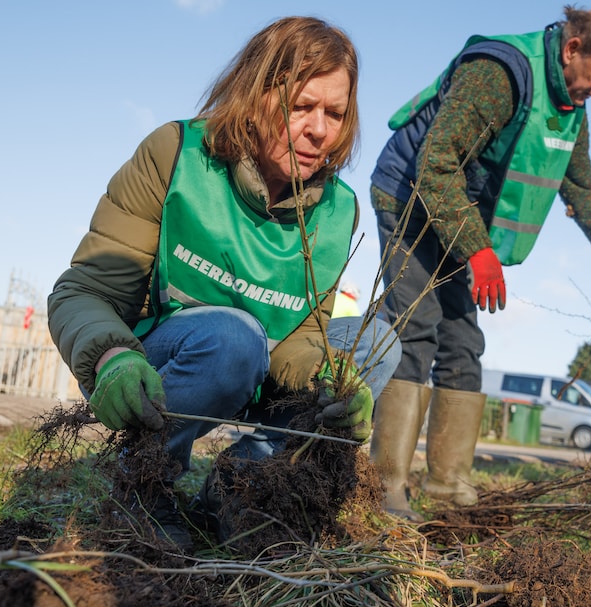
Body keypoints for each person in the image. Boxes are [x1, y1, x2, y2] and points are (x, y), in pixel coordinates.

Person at [46, 17, 400, 547]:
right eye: (301, 106)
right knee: (233, 336)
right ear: (256, 94)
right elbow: (84, 291)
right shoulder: (177, 156)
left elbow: (301, 336)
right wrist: (109, 357)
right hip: (164, 365)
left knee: (378, 345)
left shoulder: (337, 211)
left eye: (335, 112)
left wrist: (330, 375)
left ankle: (246, 487)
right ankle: (144, 484)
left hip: (258, 366)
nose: (320, 130)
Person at [369, 6, 591, 520]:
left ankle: (449, 490)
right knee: (416, 331)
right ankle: (386, 489)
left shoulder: (572, 105)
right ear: (573, 50)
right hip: (411, 197)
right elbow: (435, 163)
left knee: (463, 346)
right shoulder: (499, 74)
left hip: (460, 218)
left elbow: (582, 189)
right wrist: (478, 251)